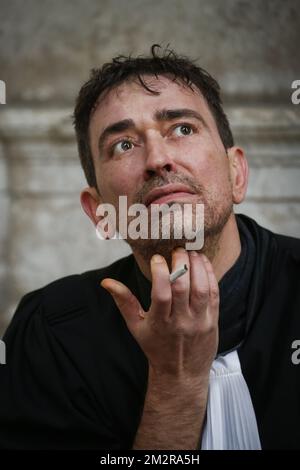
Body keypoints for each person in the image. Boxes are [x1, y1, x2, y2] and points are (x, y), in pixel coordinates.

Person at [0, 45, 300, 450]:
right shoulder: (50, 334)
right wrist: (177, 381)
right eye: (123, 144)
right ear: (101, 212)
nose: (158, 159)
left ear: (236, 174)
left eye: (183, 128)